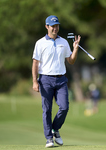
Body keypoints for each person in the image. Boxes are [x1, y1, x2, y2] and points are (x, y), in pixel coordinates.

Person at [32, 15, 81, 148]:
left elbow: (71, 60)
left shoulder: (64, 42)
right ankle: (49, 138)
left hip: (61, 80)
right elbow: (35, 63)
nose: (55, 28)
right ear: (47, 26)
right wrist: (35, 81)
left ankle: (55, 129)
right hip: (45, 80)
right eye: (53, 26)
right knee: (47, 110)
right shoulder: (40, 43)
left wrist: (75, 49)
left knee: (64, 107)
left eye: (57, 26)